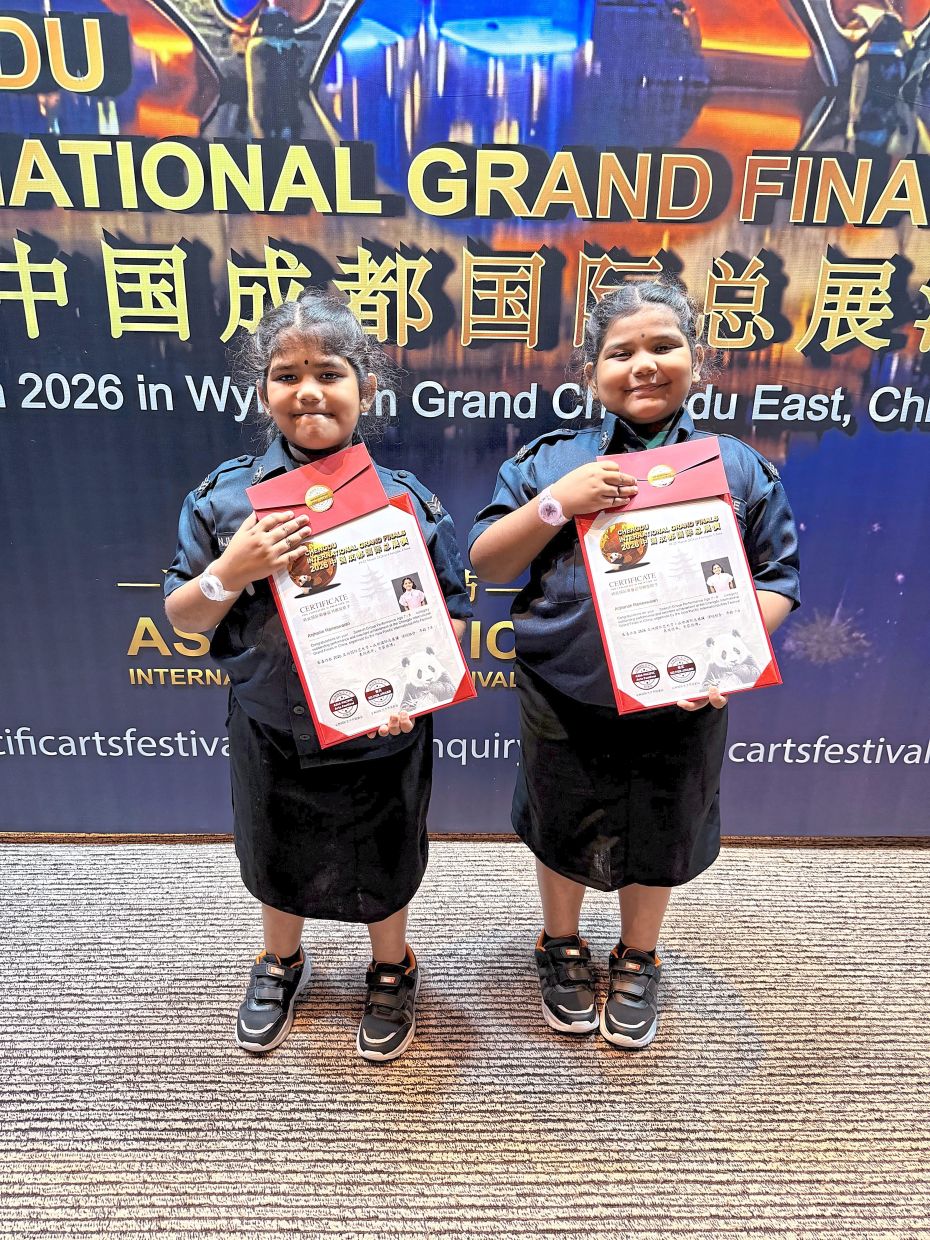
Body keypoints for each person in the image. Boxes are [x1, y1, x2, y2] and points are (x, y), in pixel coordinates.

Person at [469, 278, 799, 1051]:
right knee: (559, 822)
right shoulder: (554, 463)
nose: (644, 364)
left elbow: (778, 578)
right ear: (591, 372)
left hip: (685, 698)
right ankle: (560, 943)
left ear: (697, 359)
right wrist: (560, 503)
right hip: (564, 689)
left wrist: (729, 658)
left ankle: (638, 955)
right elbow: (486, 562)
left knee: (664, 825)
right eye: (621, 352)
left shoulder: (737, 467)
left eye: (664, 346)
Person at [164, 290, 471, 1062]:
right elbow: (184, 618)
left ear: (366, 387)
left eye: (329, 372)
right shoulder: (224, 500)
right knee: (274, 852)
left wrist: (418, 687)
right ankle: (280, 961)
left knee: (388, 855)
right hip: (271, 724)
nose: (307, 390)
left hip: (382, 729)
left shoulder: (406, 502)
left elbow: (452, 614)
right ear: (263, 390)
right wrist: (233, 568)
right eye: (284, 373)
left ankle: (393, 967)